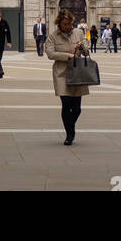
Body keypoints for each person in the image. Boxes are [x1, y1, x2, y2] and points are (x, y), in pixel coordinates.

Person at [45, 8, 90, 145]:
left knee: (77, 108)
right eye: (65, 24)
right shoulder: (53, 36)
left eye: (70, 24)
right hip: (61, 73)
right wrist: (67, 56)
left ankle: (71, 126)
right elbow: (50, 53)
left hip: (77, 72)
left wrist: (81, 47)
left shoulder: (79, 33)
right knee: (66, 104)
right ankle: (69, 133)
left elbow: (87, 52)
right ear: (59, 23)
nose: (68, 27)